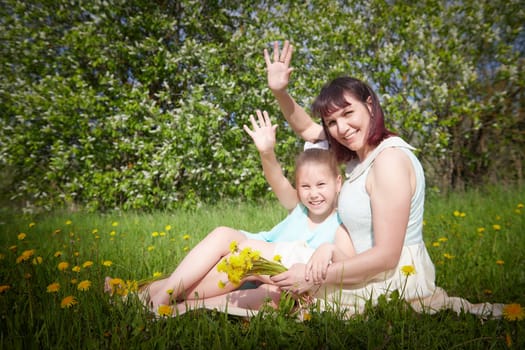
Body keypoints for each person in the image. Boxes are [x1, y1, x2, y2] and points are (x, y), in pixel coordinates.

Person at [175, 40, 503, 319]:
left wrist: (316, 274)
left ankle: (171, 304)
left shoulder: (388, 161)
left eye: (348, 113)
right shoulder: (360, 158)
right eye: (332, 122)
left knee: (269, 281)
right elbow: (305, 129)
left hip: (386, 279)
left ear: (370, 105)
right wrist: (280, 91)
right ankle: (172, 302)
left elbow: (388, 256)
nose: (341, 128)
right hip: (351, 265)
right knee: (246, 256)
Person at [110, 109, 355, 313]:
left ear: (338, 182)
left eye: (321, 185)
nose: (314, 194)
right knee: (225, 235)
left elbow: (348, 263)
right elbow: (277, 180)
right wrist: (266, 152)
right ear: (298, 188)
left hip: (273, 279)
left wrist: (328, 251)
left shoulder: (341, 222)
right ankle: (161, 296)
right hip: (241, 262)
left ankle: (151, 296)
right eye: (305, 186)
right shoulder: (299, 208)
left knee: (271, 293)